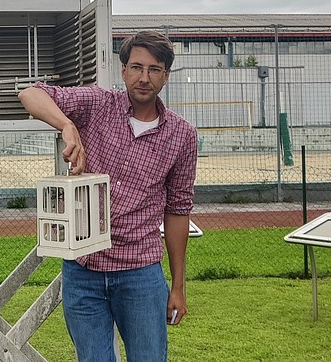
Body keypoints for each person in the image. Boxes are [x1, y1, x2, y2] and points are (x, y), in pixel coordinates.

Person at [18, 30, 197, 361]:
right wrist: (67, 126)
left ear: (166, 76)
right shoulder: (98, 104)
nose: (144, 77)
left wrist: (178, 286)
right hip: (83, 271)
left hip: (140, 273)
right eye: (136, 67)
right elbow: (31, 93)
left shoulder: (182, 136)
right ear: (123, 69)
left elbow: (178, 210)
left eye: (154, 69)